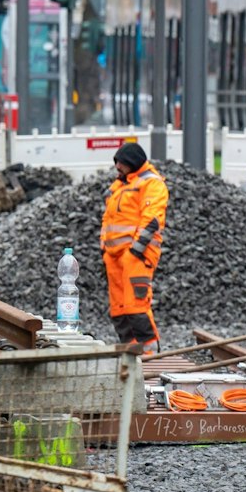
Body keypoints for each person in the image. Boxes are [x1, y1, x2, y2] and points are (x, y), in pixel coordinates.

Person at [101, 142, 168, 351]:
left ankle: (149, 352)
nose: (117, 167)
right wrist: (104, 247)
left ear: (132, 163)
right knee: (119, 307)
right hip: (114, 255)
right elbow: (108, 218)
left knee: (136, 304)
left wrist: (136, 251)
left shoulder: (151, 184)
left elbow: (152, 220)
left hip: (136, 254)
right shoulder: (120, 185)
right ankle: (130, 349)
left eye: (121, 163)